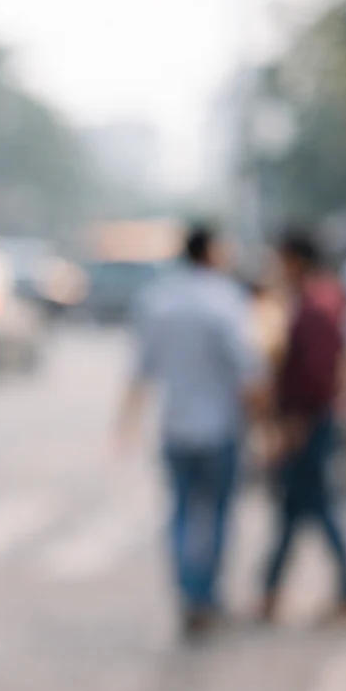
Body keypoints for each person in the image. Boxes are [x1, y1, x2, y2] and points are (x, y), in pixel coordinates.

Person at [117, 224, 261, 640]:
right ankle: (206, 595)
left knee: (181, 512)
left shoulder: (159, 301)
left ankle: (188, 591)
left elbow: (141, 370)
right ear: (212, 252)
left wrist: (125, 424)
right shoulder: (226, 300)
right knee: (215, 514)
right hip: (220, 427)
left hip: (176, 426)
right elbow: (249, 371)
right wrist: (265, 421)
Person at [260, 231, 346, 623]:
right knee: (297, 508)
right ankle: (271, 591)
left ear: (295, 260)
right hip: (312, 417)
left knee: (314, 505)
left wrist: (296, 420)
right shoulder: (321, 298)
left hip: (308, 420)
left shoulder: (315, 305)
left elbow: (316, 374)